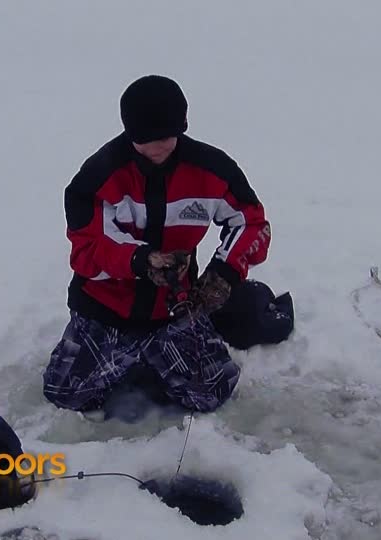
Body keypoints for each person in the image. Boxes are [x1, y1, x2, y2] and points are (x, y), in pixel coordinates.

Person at [42, 75, 271, 414]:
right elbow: (87, 250)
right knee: (65, 394)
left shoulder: (213, 170)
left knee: (211, 393)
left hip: (175, 307)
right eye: (145, 140)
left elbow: (251, 223)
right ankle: (133, 355)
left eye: (166, 136)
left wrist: (223, 274)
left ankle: (156, 352)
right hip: (107, 308)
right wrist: (142, 261)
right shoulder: (98, 177)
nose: (158, 147)